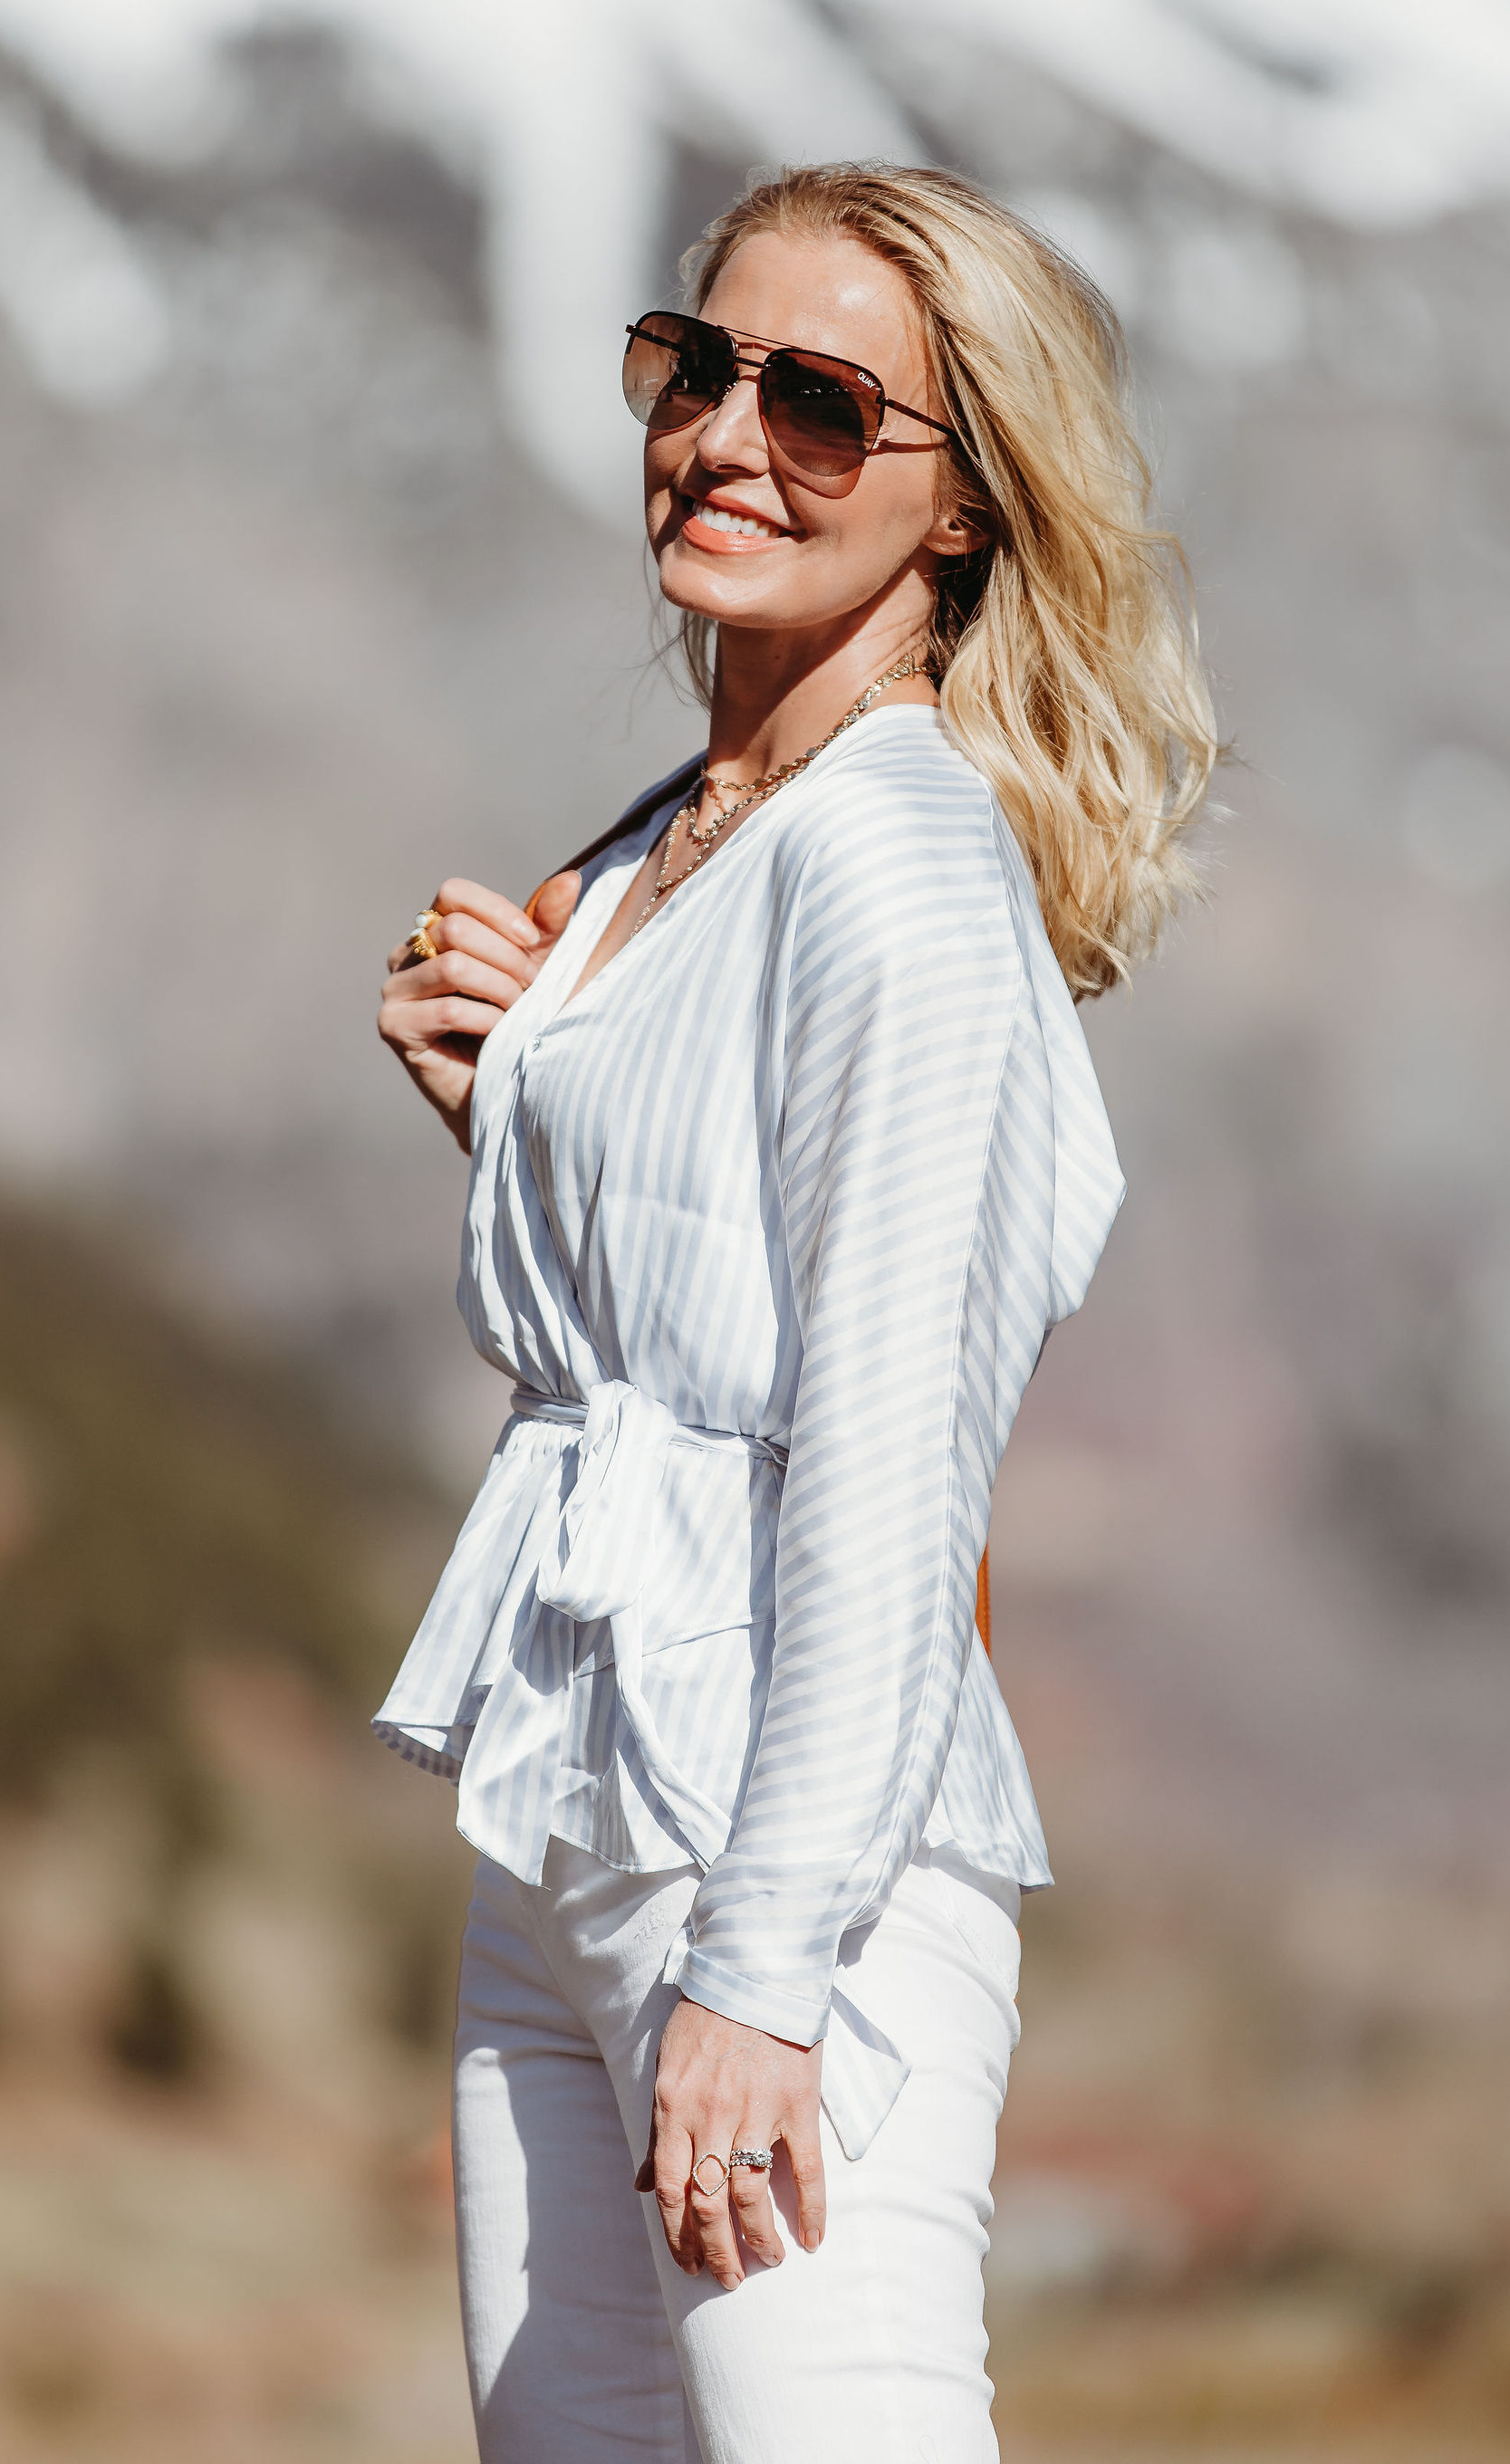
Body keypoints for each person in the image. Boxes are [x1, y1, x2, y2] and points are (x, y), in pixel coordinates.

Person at [374, 162, 1217, 2462]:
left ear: (962, 510)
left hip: (784, 1866)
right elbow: (694, 1327)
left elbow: (883, 1445)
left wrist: (762, 1973)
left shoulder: (904, 863)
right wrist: (519, 1098)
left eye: (827, 404)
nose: (729, 435)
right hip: (570, 1835)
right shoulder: (685, 830)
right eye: (701, 365)